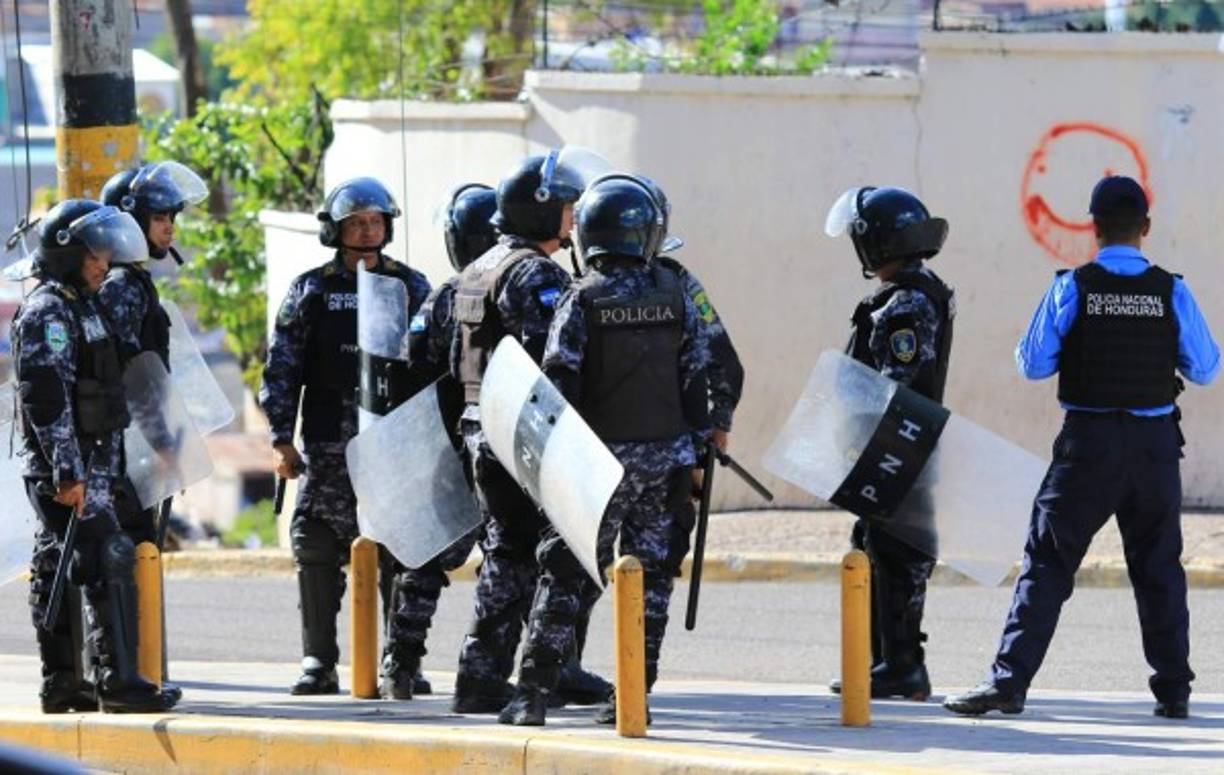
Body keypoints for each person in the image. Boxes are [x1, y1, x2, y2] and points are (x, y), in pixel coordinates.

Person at [944, 176, 1219, 719]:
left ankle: (1009, 683)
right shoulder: (1171, 290)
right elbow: (1207, 369)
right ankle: (1174, 691)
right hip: (1153, 449)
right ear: (1145, 228)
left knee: (1047, 565)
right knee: (1160, 567)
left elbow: (1032, 364)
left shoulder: (1073, 286)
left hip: (1087, 448)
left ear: (1093, 229)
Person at [499, 174, 712, 726]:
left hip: (595, 469)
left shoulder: (581, 299)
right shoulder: (676, 296)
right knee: (652, 583)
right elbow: (697, 379)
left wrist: (555, 467)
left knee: (566, 576)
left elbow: (557, 382)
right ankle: (633, 695)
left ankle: (532, 695)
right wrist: (697, 459)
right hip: (663, 464)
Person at [258, 177, 431, 695]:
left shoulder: (411, 286)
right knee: (315, 543)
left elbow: (433, 364)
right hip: (331, 441)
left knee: (401, 549)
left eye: (376, 222)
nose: (367, 231)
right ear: (336, 229)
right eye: (356, 222)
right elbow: (283, 365)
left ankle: (402, 660)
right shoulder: (311, 289)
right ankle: (319, 660)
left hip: (395, 443)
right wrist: (280, 436)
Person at [15, 199, 175, 713]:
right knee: (107, 555)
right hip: (70, 466)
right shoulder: (48, 311)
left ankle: (63, 682)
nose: (104, 264)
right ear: (68, 253)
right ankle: (118, 682)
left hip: (96, 460)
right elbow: (46, 395)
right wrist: (68, 470)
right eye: (95, 254)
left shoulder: (85, 304)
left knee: (61, 562)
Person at [448, 153, 590, 713]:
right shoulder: (536, 273)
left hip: (480, 426)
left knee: (506, 555)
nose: (573, 217)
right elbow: (552, 359)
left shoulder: (481, 266)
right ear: (541, 210)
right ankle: (538, 677)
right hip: (522, 433)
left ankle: (478, 678)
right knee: (546, 556)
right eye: (566, 206)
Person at [827, 186, 955, 701]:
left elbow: (896, 382)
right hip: (898, 446)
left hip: (898, 447)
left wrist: (863, 432)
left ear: (878, 244)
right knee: (877, 545)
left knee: (896, 552)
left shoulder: (906, 303)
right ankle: (886, 661)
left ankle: (902, 664)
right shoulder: (916, 291)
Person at [374, 183, 499, 700]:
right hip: (501, 448)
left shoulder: (446, 295)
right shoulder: (515, 282)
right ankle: (489, 669)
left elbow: (408, 368)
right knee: (508, 561)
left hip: (448, 444)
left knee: (423, 563)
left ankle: (398, 665)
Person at [99, 161, 209, 702]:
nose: (169, 228)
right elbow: (128, 374)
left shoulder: (134, 284)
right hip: (118, 449)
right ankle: (124, 677)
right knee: (125, 553)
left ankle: (135, 670)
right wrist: (161, 443)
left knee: (135, 551)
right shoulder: (123, 287)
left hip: (128, 447)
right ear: (129, 223)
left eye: (170, 217)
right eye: (159, 217)